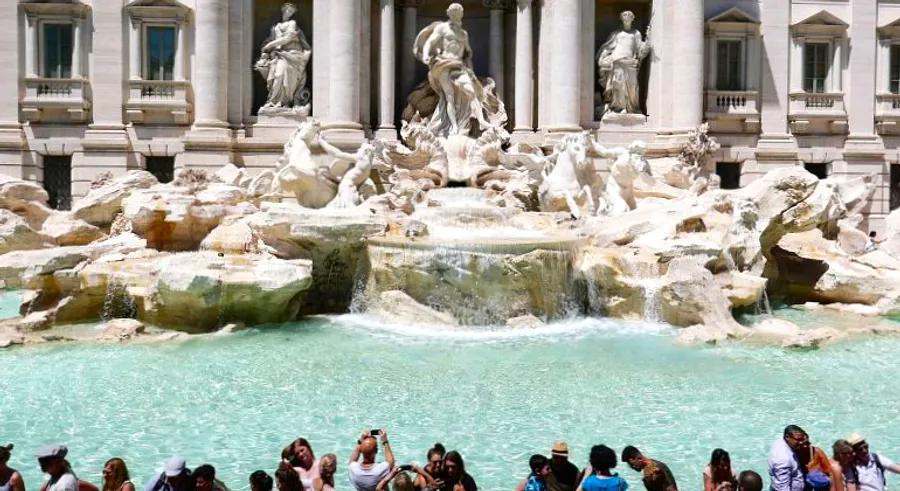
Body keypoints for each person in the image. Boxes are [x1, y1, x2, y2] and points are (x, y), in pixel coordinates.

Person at [254, 2, 312, 110]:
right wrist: (266, 51)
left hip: (292, 55)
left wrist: (270, 45)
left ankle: (283, 102)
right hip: (278, 55)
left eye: (291, 11)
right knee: (276, 76)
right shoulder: (276, 26)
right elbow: (271, 40)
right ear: (283, 10)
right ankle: (273, 101)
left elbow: (287, 39)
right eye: (288, 10)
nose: (289, 12)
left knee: (281, 75)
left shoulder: (292, 23)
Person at [596, 10, 652, 114]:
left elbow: (641, 49)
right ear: (621, 18)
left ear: (632, 18)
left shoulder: (636, 33)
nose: (627, 17)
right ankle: (618, 107)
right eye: (625, 15)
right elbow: (608, 47)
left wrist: (648, 39)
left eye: (629, 15)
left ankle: (630, 108)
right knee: (618, 85)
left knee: (631, 86)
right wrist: (603, 56)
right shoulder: (617, 34)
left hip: (630, 62)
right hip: (617, 61)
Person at [768, 425, 808, 491]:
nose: (801, 443)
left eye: (802, 439)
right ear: (787, 437)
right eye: (798, 439)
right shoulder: (783, 460)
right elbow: (782, 488)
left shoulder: (781, 441)